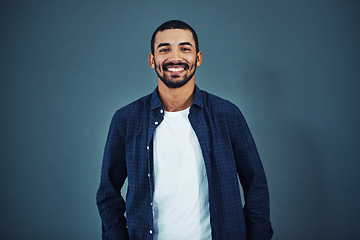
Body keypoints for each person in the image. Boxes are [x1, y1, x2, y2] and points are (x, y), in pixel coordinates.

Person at [96, 20, 273, 240]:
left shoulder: (227, 115)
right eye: (165, 49)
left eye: (185, 48)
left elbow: (256, 185)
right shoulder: (126, 119)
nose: (175, 57)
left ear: (198, 58)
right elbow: (108, 192)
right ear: (152, 60)